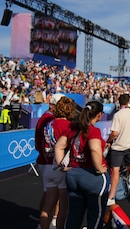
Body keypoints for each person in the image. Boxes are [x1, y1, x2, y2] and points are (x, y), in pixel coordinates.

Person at [54, 101, 109, 229]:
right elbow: (94, 149)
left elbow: (59, 146)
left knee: (74, 214)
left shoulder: (72, 128)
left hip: (73, 174)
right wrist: (99, 167)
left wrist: (62, 165)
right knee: (95, 215)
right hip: (92, 176)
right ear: (99, 115)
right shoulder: (93, 130)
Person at [39, 96, 76, 229]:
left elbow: (44, 145)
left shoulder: (49, 124)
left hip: (49, 165)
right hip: (62, 167)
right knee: (63, 207)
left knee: (48, 205)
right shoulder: (69, 126)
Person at [107, 94, 130, 206]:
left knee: (115, 171)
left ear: (119, 102)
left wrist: (108, 141)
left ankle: (112, 196)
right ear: (128, 101)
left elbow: (114, 133)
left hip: (118, 146)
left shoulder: (118, 115)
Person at [34, 93, 65, 228]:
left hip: (48, 160)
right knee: (51, 196)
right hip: (49, 161)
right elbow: (41, 142)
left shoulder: (48, 118)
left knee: (51, 195)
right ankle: (47, 222)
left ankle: (49, 220)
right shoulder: (49, 119)